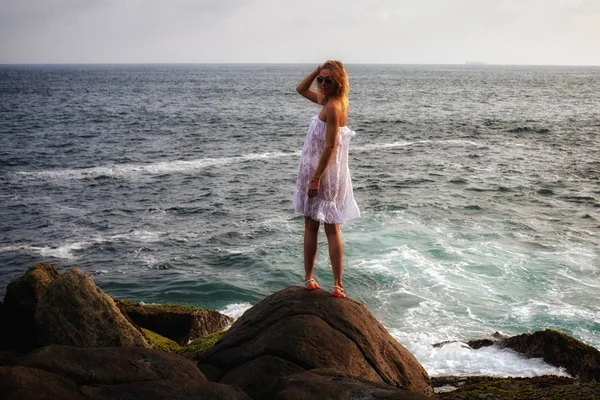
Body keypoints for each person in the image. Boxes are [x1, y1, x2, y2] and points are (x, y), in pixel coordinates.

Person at [293, 60, 360, 299]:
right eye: (320, 79)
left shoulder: (332, 106)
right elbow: (301, 89)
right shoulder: (332, 101)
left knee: (317, 227)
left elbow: (331, 146)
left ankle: (316, 280)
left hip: (322, 175)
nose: (322, 84)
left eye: (327, 80)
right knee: (330, 228)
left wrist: (315, 178)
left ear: (339, 81)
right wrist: (318, 69)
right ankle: (335, 285)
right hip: (330, 173)